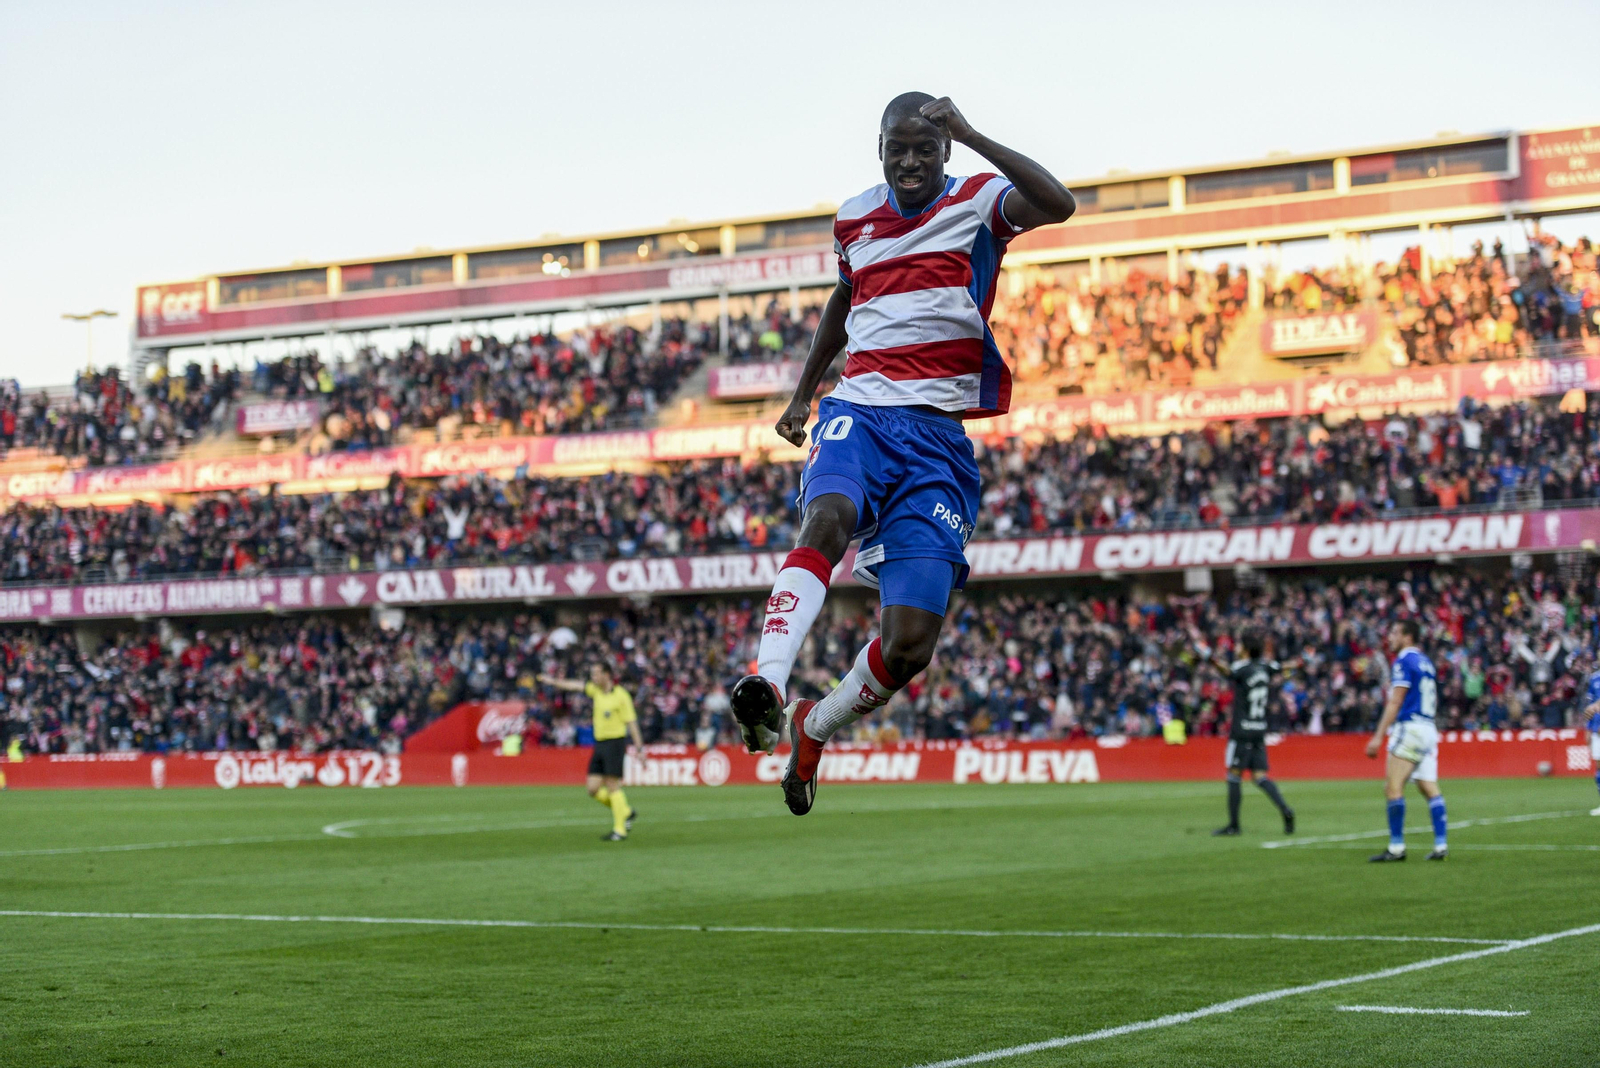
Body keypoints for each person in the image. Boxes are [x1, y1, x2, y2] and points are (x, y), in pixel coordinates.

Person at [727, 91, 1075, 815]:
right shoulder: (854, 217)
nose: (910, 161)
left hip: (938, 442)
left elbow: (1058, 202)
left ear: (944, 150)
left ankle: (813, 728)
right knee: (827, 518)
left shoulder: (979, 203)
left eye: (925, 148)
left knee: (910, 645)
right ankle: (767, 681)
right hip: (859, 409)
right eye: (897, 148)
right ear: (879, 149)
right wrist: (803, 393)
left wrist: (975, 133)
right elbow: (844, 298)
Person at [1366, 619, 1448, 861]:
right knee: (1428, 786)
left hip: (1410, 727)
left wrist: (1378, 736)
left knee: (1393, 787)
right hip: (1428, 727)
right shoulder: (1426, 662)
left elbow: (1395, 701)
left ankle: (1396, 848)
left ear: (1408, 637)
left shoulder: (1404, 660)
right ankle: (1441, 845)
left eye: (1394, 632)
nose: (1390, 637)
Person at [539, 664, 642, 841]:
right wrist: (554, 681)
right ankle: (625, 811)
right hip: (600, 744)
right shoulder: (596, 691)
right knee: (592, 788)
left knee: (612, 785)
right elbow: (574, 685)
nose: (593, 677)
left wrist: (640, 748)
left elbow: (632, 723)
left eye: (596, 673)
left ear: (607, 675)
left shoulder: (621, 696)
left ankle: (620, 830)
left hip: (615, 743)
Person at [1210, 629, 1296, 837]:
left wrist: (1210, 659)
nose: (1237, 648)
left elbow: (1227, 671)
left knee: (1233, 775)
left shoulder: (1242, 667)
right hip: (1259, 729)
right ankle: (1285, 809)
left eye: (1240, 645)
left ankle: (1234, 825)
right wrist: (1301, 662)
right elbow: (1283, 667)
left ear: (1246, 650)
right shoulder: (1266, 666)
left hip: (1241, 730)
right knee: (1259, 777)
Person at [1579, 656, 1600, 817]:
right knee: (1598, 768)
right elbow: (1589, 708)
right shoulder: (1594, 679)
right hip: (1597, 730)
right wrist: (1588, 728)